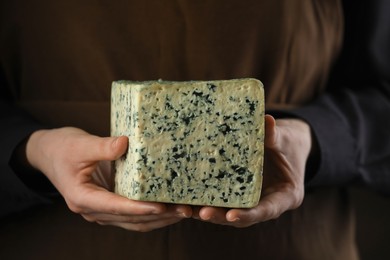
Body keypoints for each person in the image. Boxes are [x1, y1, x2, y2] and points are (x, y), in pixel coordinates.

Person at [0, 0, 389, 259]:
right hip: (55, 241)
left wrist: (313, 138)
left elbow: (380, 99)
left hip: (291, 238)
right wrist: (31, 151)